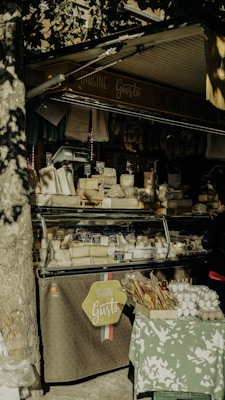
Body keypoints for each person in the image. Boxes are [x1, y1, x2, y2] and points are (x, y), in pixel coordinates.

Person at [202, 184, 225, 314]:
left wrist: (215, 223)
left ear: (221, 202)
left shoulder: (221, 219)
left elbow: (206, 242)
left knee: (217, 313)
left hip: (220, 274)